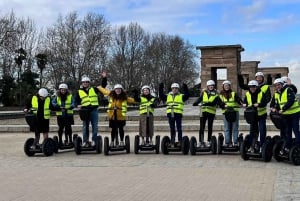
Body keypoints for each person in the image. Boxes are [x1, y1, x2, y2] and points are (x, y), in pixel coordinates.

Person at [97, 72, 136, 147]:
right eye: (116, 89)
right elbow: (105, 91)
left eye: (119, 89)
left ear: (121, 90)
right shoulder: (111, 95)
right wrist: (99, 88)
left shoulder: (124, 97)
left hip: (121, 116)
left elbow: (132, 100)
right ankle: (112, 141)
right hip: (112, 116)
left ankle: (121, 141)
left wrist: (138, 98)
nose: (118, 90)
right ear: (114, 90)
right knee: (113, 129)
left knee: (121, 129)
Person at [74, 75, 107, 147]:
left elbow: (103, 86)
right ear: (82, 83)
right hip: (85, 110)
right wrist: (77, 105)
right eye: (84, 82)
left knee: (95, 126)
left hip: (93, 110)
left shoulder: (94, 89)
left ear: (89, 83)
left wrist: (104, 78)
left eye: (87, 82)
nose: (85, 83)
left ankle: (94, 140)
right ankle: (85, 141)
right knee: (85, 126)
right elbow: (75, 101)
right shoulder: (79, 91)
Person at [270, 78, 300, 150]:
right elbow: (272, 104)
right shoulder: (276, 94)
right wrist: (272, 108)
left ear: (282, 84)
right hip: (286, 115)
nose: (277, 86)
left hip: (294, 113)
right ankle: (288, 146)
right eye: (276, 85)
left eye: (279, 85)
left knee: (295, 130)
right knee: (288, 130)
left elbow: (291, 101)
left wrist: (283, 109)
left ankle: (298, 146)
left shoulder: (288, 90)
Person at [159, 82, 189, 147]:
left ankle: (180, 141)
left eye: (176, 88)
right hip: (170, 114)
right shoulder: (168, 96)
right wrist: (160, 87)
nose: (174, 89)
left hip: (178, 114)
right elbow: (161, 95)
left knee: (179, 128)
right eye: (173, 88)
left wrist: (185, 87)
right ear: (171, 89)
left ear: (178, 89)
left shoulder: (181, 96)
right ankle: (172, 141)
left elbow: (187, 95)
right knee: (172, 128)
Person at [192, 80, 219, 147]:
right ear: (207, 86)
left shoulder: (216, 93)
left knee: (210, 127)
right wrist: (195, 103)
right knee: (202, 127)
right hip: (203, 112)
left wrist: (206, 103)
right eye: (210, 86)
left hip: (211, 112)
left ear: (214, 86)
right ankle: (201, 141)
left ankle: (209, 141)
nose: (211, 87)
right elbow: (200, 99)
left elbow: (214, 102)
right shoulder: (204, 93)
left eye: (212, 85)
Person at [242, 80, 268, 150]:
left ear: (256, 87)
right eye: (250, 87)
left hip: (261, 115)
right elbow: (245, 102)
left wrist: (259, 104)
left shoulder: (261, 93)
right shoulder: (247, 94)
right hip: (252, 116)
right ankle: (252, 145)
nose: (252, 88)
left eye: (253, 87)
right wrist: (244, 104)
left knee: (262, 129)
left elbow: (265, 103)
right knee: (252, 131)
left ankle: (262, 145)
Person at [219, 80, 243, 147]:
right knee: (227, 128)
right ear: (223, 86)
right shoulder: (221, 95)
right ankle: (227, 142)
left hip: (234, 112)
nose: (226, 87)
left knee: (235, 127)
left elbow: (239, 100)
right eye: (225, 85)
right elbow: (219, 102)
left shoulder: (233, 93)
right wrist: (223, 105)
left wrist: (242, 103)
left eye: (228, 85)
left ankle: (235, 142)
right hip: (226, 112)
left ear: (230, 86)